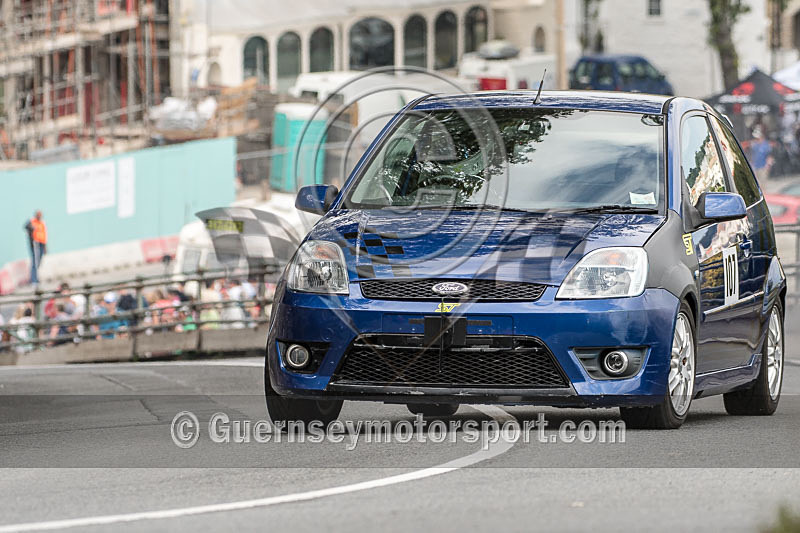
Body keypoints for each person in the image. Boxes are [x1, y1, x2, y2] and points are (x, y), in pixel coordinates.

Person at [24, 210, 47, 285]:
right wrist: (31, 228)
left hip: (41, 243)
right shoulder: (31, 221)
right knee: (35, 261)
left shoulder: (42, 223)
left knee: (39, 261)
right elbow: (25, 227)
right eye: (38, 214)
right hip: (35, 243)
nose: (39, 216)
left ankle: (36, 277)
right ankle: (34, 279)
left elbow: (44, 234)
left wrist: (45, 246)